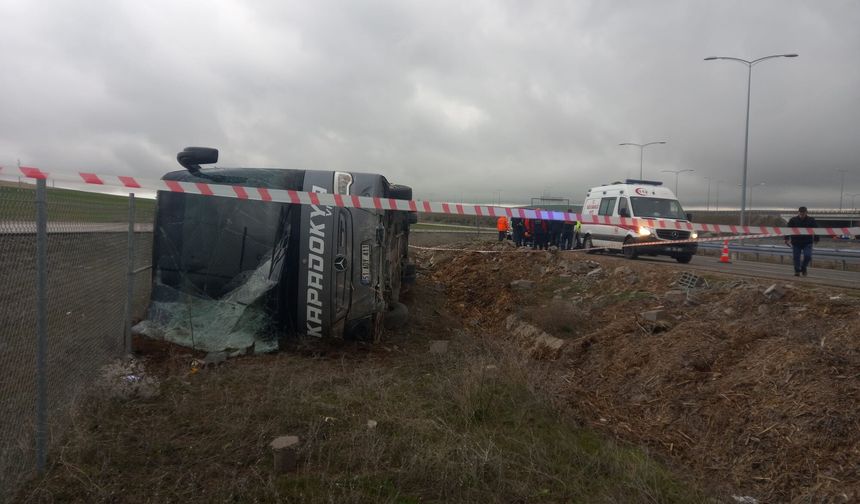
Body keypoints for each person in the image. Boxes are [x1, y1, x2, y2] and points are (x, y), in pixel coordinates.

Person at [784, 206, 819, 277]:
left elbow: (816, 230)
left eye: (803, 213)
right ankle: (797, 271)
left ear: (806, 212)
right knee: (796, 257)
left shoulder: (811, 220)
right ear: (798, 212)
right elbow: (788, 230)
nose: (802, 215)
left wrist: (816, 239)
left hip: (807, 242)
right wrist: (786, 239)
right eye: (801, 213)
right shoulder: (793, 220)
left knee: (808, 256)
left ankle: (803, 267)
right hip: (796, 242)